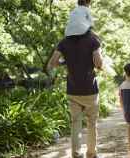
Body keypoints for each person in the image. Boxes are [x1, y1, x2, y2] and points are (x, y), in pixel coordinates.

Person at [47, 28, 103, 158]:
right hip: (90, 89)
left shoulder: (64, 42)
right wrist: (99, 65)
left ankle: (76, 154)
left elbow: (53, 62)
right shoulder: (93, 40)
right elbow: (99, 63)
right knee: (92, 123)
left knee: (75, 122)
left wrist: (65, 62)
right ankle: (91, 153)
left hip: (73, 90)